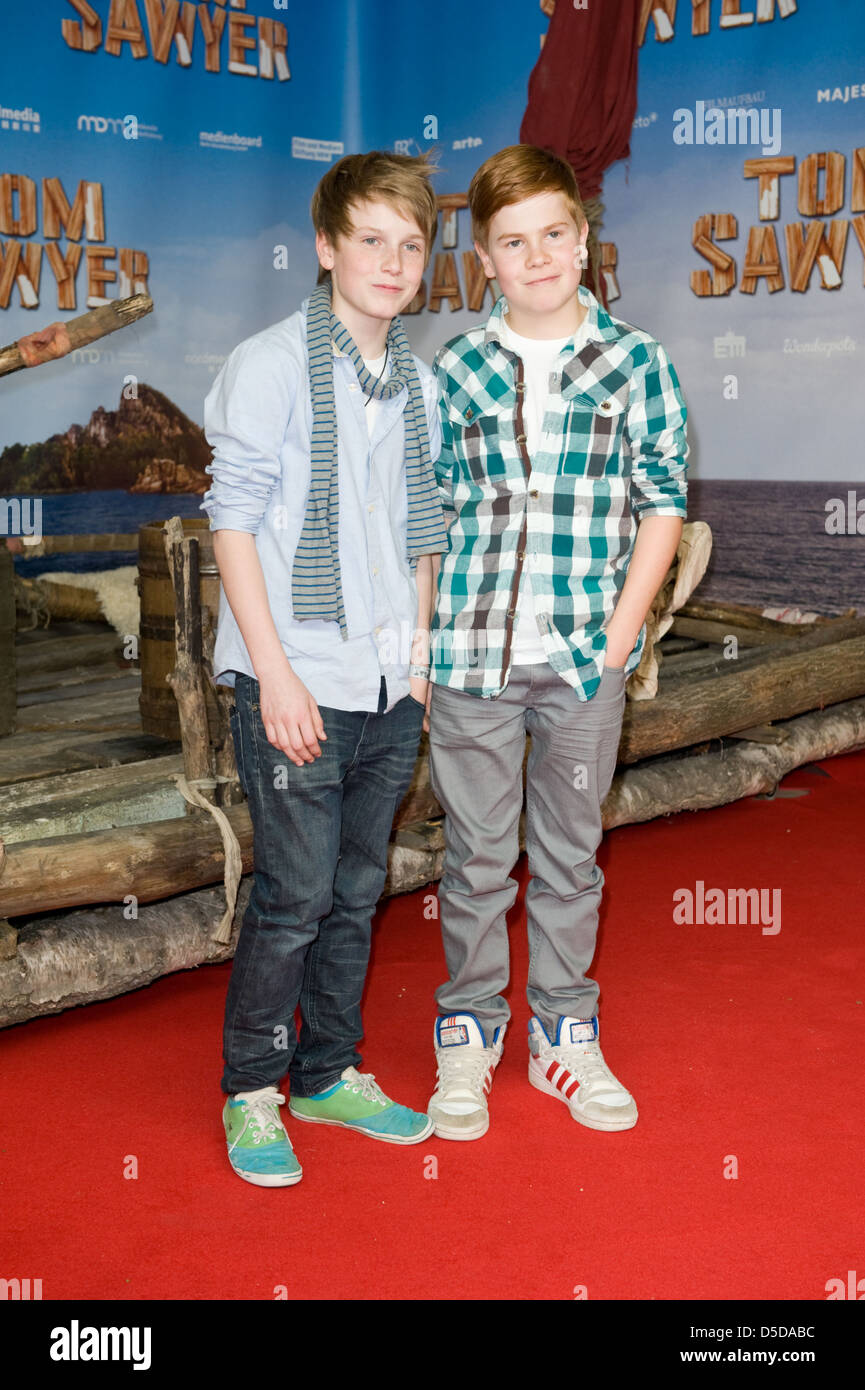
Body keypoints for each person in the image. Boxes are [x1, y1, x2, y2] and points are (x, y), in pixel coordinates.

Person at [425, 144, 689, 1140]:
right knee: (477, 859)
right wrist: (420, 643)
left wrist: (620, 636)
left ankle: (563, 1036)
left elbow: (661, 502)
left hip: (584, 661)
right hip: (470, 660)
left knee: (571, 858)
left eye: (553, 233)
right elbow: (430, 518)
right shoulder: (455, 368)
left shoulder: (638, 363)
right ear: (484, 260)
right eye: (510, 242)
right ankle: (466, 1033)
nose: (535, 256)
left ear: (583, 240)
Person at [201, 151, 448, 1186]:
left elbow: (426, 527)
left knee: (356, 888)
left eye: (411, 242)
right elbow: (233, 522)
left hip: (390, 683)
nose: (392, 261)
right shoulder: (266, 364)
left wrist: (424, 649)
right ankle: (250, 1090)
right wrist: (276, 675)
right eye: (371, 239)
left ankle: (328, 1069)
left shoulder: (420, 380)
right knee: (295, 894)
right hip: (294, 676)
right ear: (327, 247)